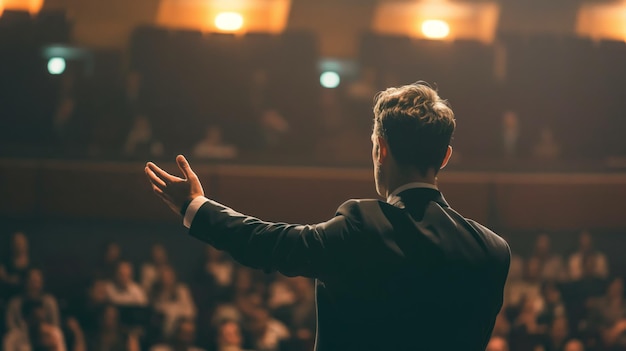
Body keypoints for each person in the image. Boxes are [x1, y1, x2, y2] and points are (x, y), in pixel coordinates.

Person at [145, 82, 511, 350]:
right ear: (445, 156)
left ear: (380, 149)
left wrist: (194, 206)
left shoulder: (363, 226)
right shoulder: (492, 251)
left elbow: (269, 244)